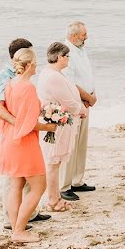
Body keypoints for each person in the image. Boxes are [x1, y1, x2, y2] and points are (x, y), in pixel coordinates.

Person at [0, 48, 55, 243]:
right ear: (28, 66)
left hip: (9, 140)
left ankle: (15, 229)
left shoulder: (10, 84)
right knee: (39, 186)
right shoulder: (28, 88)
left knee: (16, 186)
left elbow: (10, 113)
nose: (37, 66)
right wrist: (49, 126)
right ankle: (19, 230)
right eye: (35, 63)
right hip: (24, 142)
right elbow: (27, 123)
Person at [37, 42, 87, 212]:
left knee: (55, 162)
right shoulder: (53, 77)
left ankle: (55, 197)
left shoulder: (53, 73)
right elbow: (67, 101)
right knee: (53, 162)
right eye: (67, 56)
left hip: (60, 121)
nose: (68, 59)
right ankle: (53, 200)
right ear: (59, 57)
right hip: (57, 124)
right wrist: (81, 109)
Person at [60, 21, 97, 202]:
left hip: (86, 101)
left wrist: (93, 93)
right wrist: (87, 98)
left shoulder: (81, 49)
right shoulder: (66, 52)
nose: (86, 37)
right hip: (75, 103)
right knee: (71, 145)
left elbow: (86, 74)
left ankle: (77, 180)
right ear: (74, 36)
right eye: (84, 34)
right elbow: (69, 83)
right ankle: (64, 185)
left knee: (81, 143)